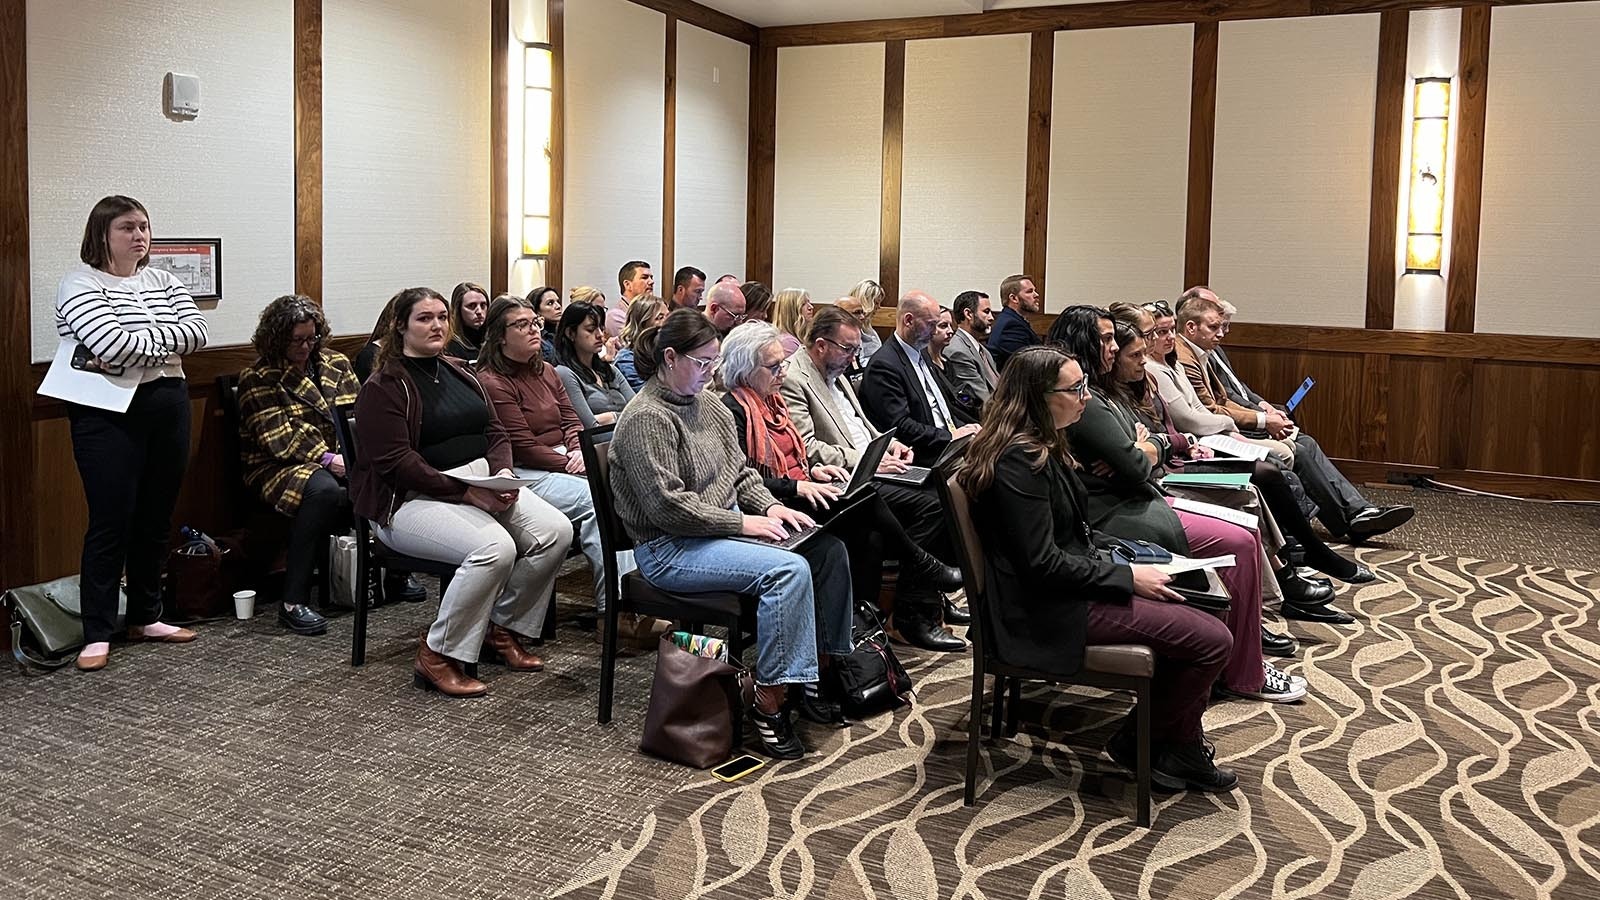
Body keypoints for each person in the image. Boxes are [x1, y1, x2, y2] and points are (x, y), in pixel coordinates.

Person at [958, 345, 1238, 793]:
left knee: (1209, 604)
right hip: (1045, 610)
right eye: (1075, 389)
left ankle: (1173, 743)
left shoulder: (1044, 444)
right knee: (1212, 640)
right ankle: (1142, 742)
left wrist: (1144, 558)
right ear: (1037, 397)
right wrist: (1129, 578)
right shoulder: (1018, 462)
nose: (1086, 398)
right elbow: (1042, 565)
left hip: (1070, 585)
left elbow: (1073, 536)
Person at [609, 309, 854, 758]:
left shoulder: (708, 403)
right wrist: (743, 522)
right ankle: (769, 699)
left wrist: (772, 505)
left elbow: (740, 473)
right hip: (669, 549)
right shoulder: (646, 417)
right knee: (787, 572)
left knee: (827, 550)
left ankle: (818, 671)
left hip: (711, 535)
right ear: (669, 358)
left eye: (714, 362)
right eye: (702, 362)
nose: (710, 372)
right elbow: (668, 508)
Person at [1051, 306, 1307, 703]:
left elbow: (1143, 444)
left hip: (1140, 492)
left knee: (1247, 521)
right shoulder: (1086, 398)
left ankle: (1247, 650)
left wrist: (1143, 444)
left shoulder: (1104, 390)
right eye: (1105, 339)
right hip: (1117, 511)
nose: (1114, 346)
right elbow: (1136, 463)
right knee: (1239, 540)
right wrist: (1144, 447)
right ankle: (1244, 672)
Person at [351, 287, 574, 697]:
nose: (436, 325)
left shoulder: (459, 370)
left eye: (440, 317)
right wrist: (469, 494)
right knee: (495, 548)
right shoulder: (383, 386)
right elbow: (398, 463)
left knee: (556, 531)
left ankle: (500, 627)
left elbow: (496, 430)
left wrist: (503, 473)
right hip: (409, 500)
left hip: (481, 480)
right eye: (424, 318)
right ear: (400, 326)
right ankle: (437, 653)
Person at [1101, 302, 1357, 635]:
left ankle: (1290, 570)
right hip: (1170, 473)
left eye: (1160, 332)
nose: (1159, 341)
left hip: (1184, 455)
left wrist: (1161, 444)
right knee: (1257, 482)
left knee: (1267, 472)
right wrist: (1169, 443)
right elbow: (1158, 441)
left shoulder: (1155, 372)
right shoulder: (1133, 382)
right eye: (1153, 334)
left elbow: (1161, 434)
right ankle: (1287, 577)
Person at [718, 323, 965, 652]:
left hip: (801, 487)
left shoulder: (771, 403)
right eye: (774, 366)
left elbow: (800, 454)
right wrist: (798, 485)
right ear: (746, 369)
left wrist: (816, 470)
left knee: (873, 529)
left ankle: (863, 626)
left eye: (783, 364)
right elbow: (743, 478)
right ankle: (916, 575)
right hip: (773, 503)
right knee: (868, 502)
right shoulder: (732, 410)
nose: (782, 372)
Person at [55, 195, 209, 671]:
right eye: (127, 227)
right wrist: (158, 343)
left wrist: (135, 348)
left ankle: (147, 615)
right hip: (106, 412)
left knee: (156, 516)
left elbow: (198, 332)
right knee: (110, 521)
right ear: (102, 233)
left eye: (143, 226)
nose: (139, 235)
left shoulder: (162, 279)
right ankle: (97, 631)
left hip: (168, 403)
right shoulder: (79, 282)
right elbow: (108, 343)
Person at [781, 306, 970, 642]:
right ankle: (912, 614)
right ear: (822, 344)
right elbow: (809, 448)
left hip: (872, 465)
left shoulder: (835, 372)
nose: (855, 357)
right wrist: (871, 457)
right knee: (933, 506)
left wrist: (891, 445)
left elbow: (863, 426)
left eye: (856, 348)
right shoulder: (796, 378)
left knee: (943, 490)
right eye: (848, 348)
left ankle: (930, 602)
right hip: (846, 476)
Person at [1174, 288, 1414, 541]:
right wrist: (1264, 419)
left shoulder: (1209, 348)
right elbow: (1218, 405)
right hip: (1224, 430)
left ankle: (1357, 513)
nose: (1222, 326)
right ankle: (1347, 519)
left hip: (1238, 417)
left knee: (1304, 442)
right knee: (1296, 449)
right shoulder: (1189, 355)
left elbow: (1239, 388)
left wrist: (1264, 405)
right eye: (1215, 319)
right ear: (1191, 321)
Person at [474, 295, 637, 609]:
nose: (535, 330)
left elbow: (572, 419)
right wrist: (569, 462)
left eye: (534, 322)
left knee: (624, 485)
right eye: (522, 325)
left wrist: (579, 451)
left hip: (565, 458)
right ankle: (615, 607)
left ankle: (635, 595)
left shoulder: (547, 370)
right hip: (525, 471)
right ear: (500, 337)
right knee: (597, 498)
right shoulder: (493, 381)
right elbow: (522, 445)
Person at [238, 295, 362, 637]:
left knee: (385, 472)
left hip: (339, 457)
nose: (306, 346)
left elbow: (357, 414)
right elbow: (278, 439)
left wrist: (354, 454)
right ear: (277, 338)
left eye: (312, 338)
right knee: (322, 490)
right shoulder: (259, 376)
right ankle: (292, 601)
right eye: (297, 340)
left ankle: (389, 576)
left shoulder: (336, 363)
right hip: (275, 466)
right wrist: (329, 458)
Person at [859, 290, 980, 465]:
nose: (934, 332)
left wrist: (966, 428)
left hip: (949, 443)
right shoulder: (884, 365)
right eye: (931, 325)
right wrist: (951, 436)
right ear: (908, 320)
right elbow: (901, 426)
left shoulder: (921, 352)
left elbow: (943, 407)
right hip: (925, 453)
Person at [553, 301, 635, 429]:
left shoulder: (610, 370)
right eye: (591, 329)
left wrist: (612, 417)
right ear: (570, 333)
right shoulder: (565, 373)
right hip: (599, 445)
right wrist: (621, 417)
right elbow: (589, 426)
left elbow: (639, 410)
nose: (600, 335)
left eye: (601, 328)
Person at [927, 305, 981, 422]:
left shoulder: (946, 361)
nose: (950, 331)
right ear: (929, 329)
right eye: (943, 326)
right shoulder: (924, 364)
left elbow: (962, 395)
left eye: (951, 326)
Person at [945, 289, 999, 405]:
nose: (991, 318)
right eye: (986, 312)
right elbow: (982, 399)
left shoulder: (982, 350)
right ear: (968, 314)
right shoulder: (958, 351)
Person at [986, 274, 1043, 371]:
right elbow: (1026, 364)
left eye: (1034, 290)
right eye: (1029, 291)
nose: (1036, 295)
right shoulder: (1010, 326)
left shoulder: (1012, 319)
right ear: (1014, 298)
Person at [614, 294, 667, 391]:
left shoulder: (665, 351)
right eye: (660, 317)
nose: (667, 322)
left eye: (668, 316)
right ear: (641, 324)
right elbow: (647, 395)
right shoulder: (626, 359)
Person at [838, 279, 885, 365]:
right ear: (867, 302)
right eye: (876, 303)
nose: (879, 307)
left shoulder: (869, 330)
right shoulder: (844, 330)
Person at [605, 260, 653, 338]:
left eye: (651, 277)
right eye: (644, 277)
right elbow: (635, 343)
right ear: (627, 285)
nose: (651, 282)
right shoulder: (615, 316)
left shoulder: (651, 310)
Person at [444, 281, 490, 360]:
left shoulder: (493, 338)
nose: (479, 311)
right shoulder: (451, 346)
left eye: (483, 305)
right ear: (458, 310)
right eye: (472, 306)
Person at [770, 288, 814, 356]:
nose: (811, 307)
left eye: (809, 302)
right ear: (791, 311)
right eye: (803, 304)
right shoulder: (789, 343)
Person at [527, 285, 563, 358]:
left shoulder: (564, 332)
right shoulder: (534, 337)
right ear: (536, 311)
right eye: (550, 303)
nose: (558, 306)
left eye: (558, 301)